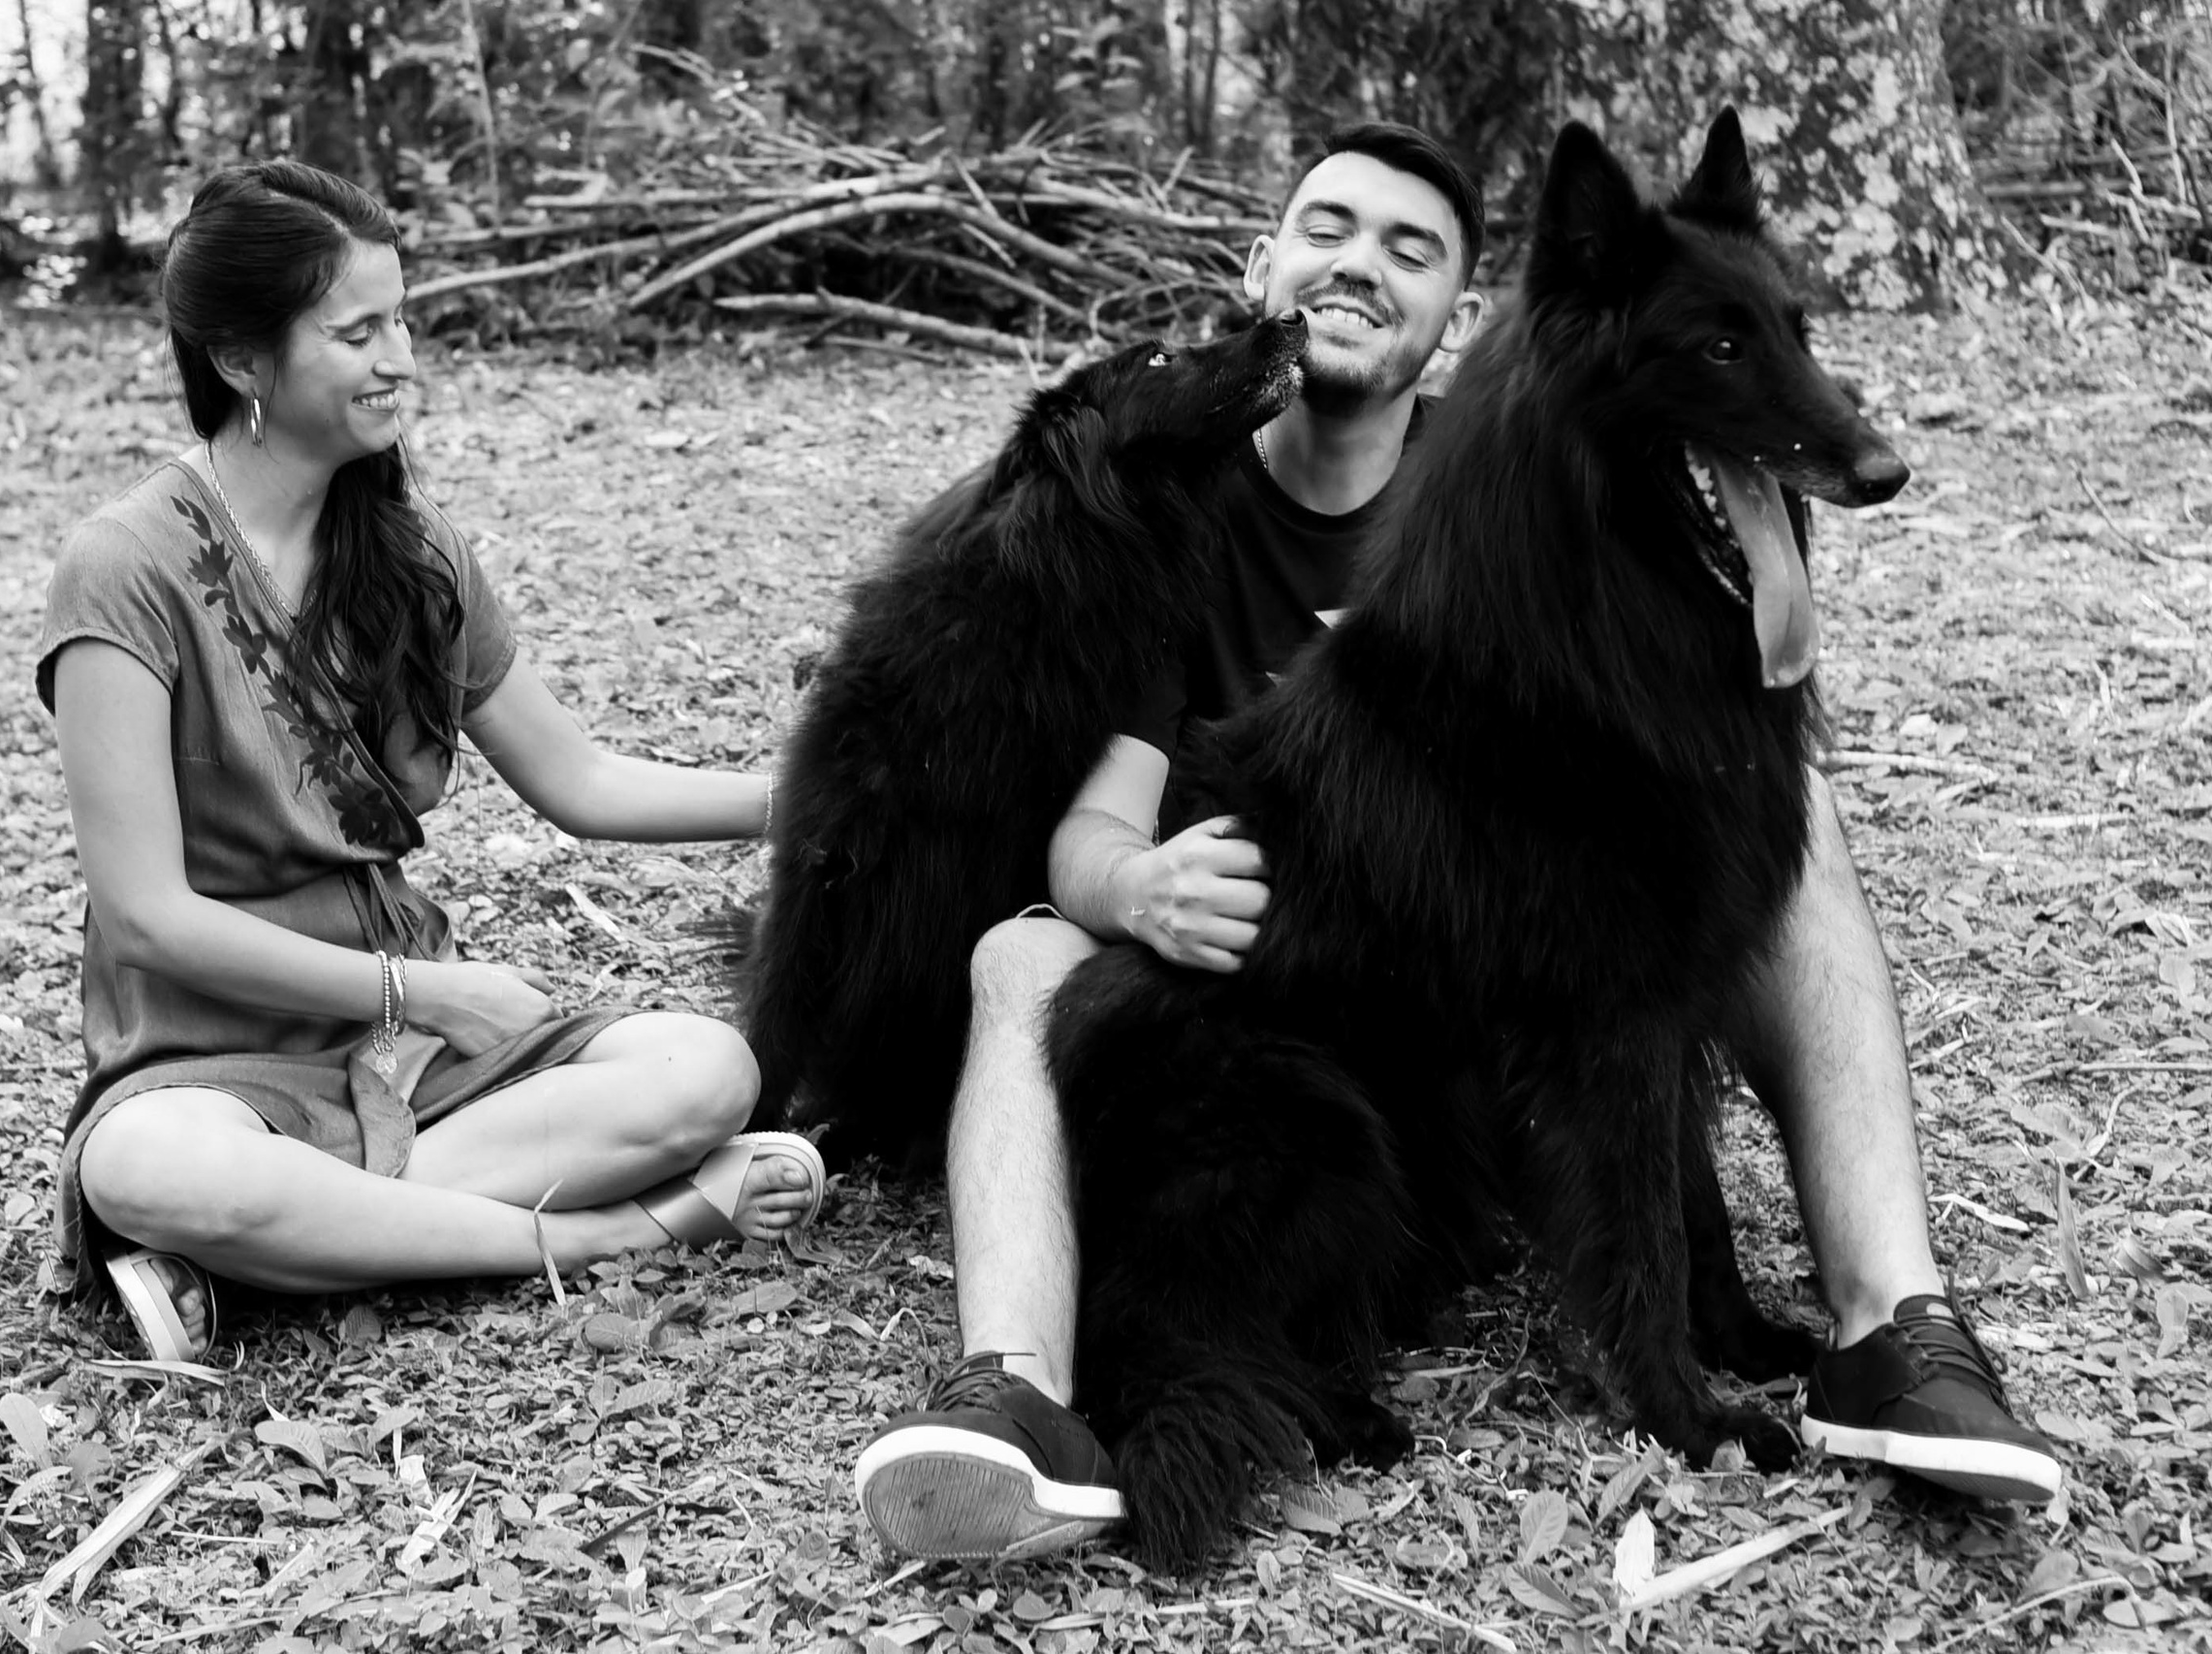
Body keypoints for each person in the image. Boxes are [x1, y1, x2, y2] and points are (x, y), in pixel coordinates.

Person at [851, 123, 2062, 1562]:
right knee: (1023, 949)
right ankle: (1019, 1394)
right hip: (1254, 961)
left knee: (1787, 832)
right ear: (1262, 264)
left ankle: (1896, 1321)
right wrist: (1143, 886)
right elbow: (1091, 829)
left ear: (1472, 318)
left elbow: (1622, 968)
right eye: (1328, 228)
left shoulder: (1525, 466)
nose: (1362, 262)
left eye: (1411, 247)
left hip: (1463, 1013)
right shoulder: (1167, 492)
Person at [38, 160, 824, 1364]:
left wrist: (813, 799)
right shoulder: (125, 567)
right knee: (153, 1162)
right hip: (213, 1059)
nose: (400, 355)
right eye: (356, 331)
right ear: (243, 362)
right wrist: (430, 990)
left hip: (414, 1064)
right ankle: (620, 1229)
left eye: (401, 318)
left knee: (706, 1068)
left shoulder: (415, 555)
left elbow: (586, 783)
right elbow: (146, 917)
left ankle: (269, 1245)